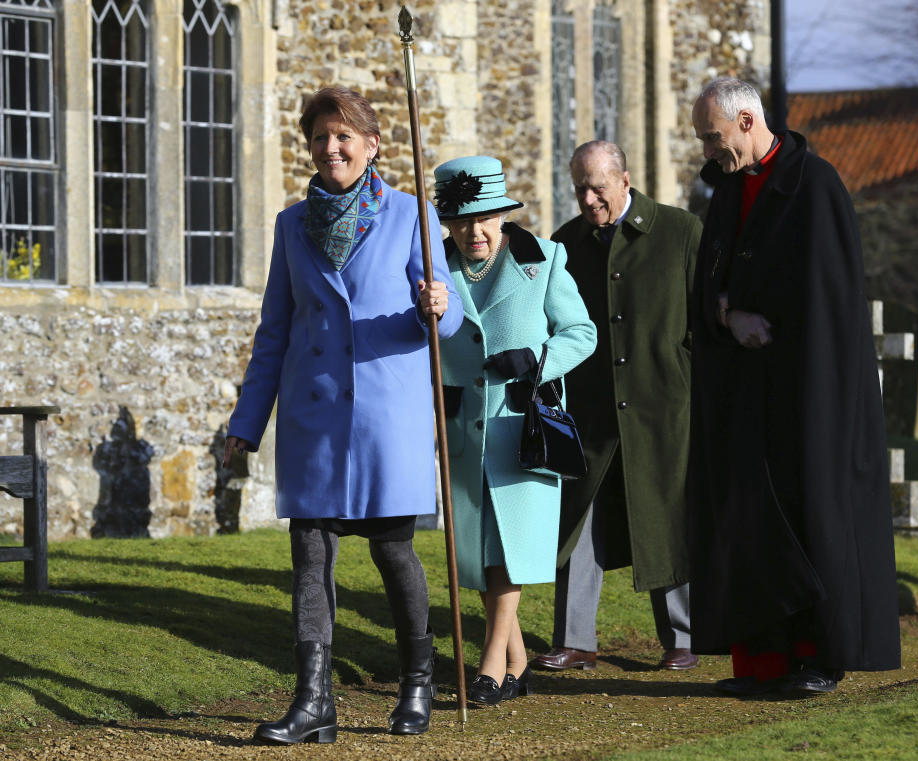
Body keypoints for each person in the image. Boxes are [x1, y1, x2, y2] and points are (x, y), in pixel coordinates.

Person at [223, 86, 463, 743]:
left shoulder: (410, 216)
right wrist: (246, 422)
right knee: (310, 558)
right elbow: (275, 331)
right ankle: (313, 702)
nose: (331, 147)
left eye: (344, 136)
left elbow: (453, 313)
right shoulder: (290, 224)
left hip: (387, 418)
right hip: (314, 418)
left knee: (393, 551)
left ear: (372, 145)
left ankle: (417, 682)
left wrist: (437, 303)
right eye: (320, 137)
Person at [688, 77, 901, 697]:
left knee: (809, 516)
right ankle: (763, 661)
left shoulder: (816, 186)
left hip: (807, 395)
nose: (708, 151)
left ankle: (818, 655)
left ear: (749, 121)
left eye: (714, 137)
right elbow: (708, 287)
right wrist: (730, 317)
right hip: (743, 395)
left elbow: (829, 303)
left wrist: (769, 326)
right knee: (749, 522)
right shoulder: (728, 191)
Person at [532, 141, 703, 673]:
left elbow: (702, 323)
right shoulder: (564, 244)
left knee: (666, 515)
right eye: (579, 189)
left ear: (624, 180)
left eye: (597, 188)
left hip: (663, 408)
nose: (587, 199)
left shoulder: (680, 232)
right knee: (578, 522)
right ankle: (576, 638)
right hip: (590, 412)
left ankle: (683, 637)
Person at [433, 155, 597, 706]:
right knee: (480, 556)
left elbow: (583, 332)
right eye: (459, 221)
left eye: (483, 218)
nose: (472, 231)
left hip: (520, 429)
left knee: (509, 551)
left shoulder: (544, 260)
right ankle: (518, 664)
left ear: (503, 214)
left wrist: (538, 358)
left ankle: (487, 669)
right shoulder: (433, 272)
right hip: (462, 430)